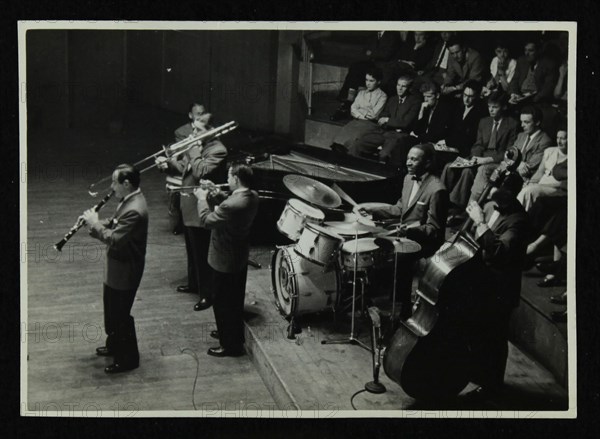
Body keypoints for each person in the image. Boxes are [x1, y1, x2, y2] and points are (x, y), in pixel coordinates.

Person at [358, 143, 448, 319]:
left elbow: (434, 229)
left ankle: (402, 309)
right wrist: (373, 209)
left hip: (424, 241)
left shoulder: (437, 190)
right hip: (404, 234)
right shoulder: (408, 178)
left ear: (428, 163)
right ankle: (374, 300)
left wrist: (408, 231)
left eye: (414, 159)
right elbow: (400, 209)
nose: (408, 162)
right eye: (408, 158)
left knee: (400, 256)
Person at [157, 103, 228, 312]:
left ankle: (207, 294)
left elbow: (200, 171)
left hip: (203, 208)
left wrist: (193, 148)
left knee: (202, 252)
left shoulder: (218, 150)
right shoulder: (197, 145)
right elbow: (185, 168)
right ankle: (194, 283)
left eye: (198, 130)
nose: (193, 132)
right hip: (188, 204)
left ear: (211, 130)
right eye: (193, 127)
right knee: (191, 249)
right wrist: (168, 165)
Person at [463, 187, 532, 401]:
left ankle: (491, 389)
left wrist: (480, 221)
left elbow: (498, 251)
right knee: (481, 336)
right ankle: (480, 377)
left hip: (499, 289)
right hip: (484, 284)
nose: (494, 202)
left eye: (499, 198)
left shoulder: (518, 221)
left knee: (493, 339)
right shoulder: (495, 208)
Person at [82, 164, 148, 374]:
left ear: (126, 184)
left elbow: (116, 239)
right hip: (117, 267)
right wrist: (93, 223)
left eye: (114, 182)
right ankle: (114, 345)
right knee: (111, 309)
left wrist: (95, 225)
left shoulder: (135, 209)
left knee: (120, 314)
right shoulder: (129, 200)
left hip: (125, 270)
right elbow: (115, 223)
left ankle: (128, 359)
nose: (111, 186)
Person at [195, 164, 259, 357]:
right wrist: (215, 190)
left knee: (222, 302)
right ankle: (228, 333)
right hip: (238, 256)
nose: (228, 180)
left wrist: (201, 199)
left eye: (229, 177)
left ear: (236, 178)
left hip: (224, 258)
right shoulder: (252, 195)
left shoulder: (231, 205)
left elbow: (206, 221)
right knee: (234, 300)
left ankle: (228, 345)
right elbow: (231, 203)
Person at [441, 91, 518, 210]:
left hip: (495, 160)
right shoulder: (484, 121)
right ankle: (440, 200)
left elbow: (509, 152)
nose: (491, 110)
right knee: (449, 167)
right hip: (480, 157)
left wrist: (487, 159)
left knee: (467, 172)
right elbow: (478, 144)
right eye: (489, 106)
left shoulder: (512, 124)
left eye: (495, 107)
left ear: (504, 107)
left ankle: (456, 207)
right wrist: (476, 157)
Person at [470, 105, 552, 203]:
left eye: (526, 122)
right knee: (483, 169)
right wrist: (518, 164)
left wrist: (515, 163)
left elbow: (529, 167)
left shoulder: (545, 141)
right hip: (509, 169)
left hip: (521, 178)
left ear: (537, 122)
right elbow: (508, 155)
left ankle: (482, 203)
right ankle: (472, 205)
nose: (522, 125)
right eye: (521, 121)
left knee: (496, 182)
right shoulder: (521, 135)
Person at [348, 75, 422, 167]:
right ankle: (353, 169)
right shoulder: (393, 99)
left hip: (399, 135)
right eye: (398, 85)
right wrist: (387, 120)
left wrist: (387, 120)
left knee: (384, 154)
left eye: (403, 86)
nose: (400, 88)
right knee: (358, 144)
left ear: (409, 88)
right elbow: (383, 115)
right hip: (384, 131)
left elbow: (406, 122)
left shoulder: (415, 102)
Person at [330, 31, 402, 120]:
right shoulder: (374, 33)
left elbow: (386, 54)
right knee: (355, 67)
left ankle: (347, 105)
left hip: (385, 66)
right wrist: (371, 53)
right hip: (372, 63)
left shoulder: (393, 33)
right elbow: (365, 51)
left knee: (361, 70)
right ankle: (347, 101)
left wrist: (371, 53)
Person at [330, 68, 387, 154]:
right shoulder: (361, 93)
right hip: (357, 121)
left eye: (371, 81)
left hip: (370, 124)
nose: (368, 83)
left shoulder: (382, 96)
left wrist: (360, 110)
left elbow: (374, 115)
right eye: (366, 80)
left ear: (378, 82)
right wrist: (364, 113)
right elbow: (353, 109)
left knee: (354, 141)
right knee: (340, 136)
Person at [517, 128, 567, 211]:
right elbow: (540, 172)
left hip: (555, 188)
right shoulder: (549, 151)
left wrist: (537, 186)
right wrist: (530, 183)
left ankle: (517, 217)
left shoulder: (571, 158)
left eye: (563, 138)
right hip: (540, 184)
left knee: (529, 191)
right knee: (526, 188)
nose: (559, 141)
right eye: (558, 138)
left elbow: (565, 184)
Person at [508, 39, 558, 105]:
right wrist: (513, 94)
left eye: (531, 50)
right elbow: (515, 80)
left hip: (537, 99)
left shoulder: (549, 64)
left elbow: (548, 88)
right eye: (525, 50)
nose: (527, 53)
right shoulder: (522, 61)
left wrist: (531, 100)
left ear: (539, 51)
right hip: (520, 96)